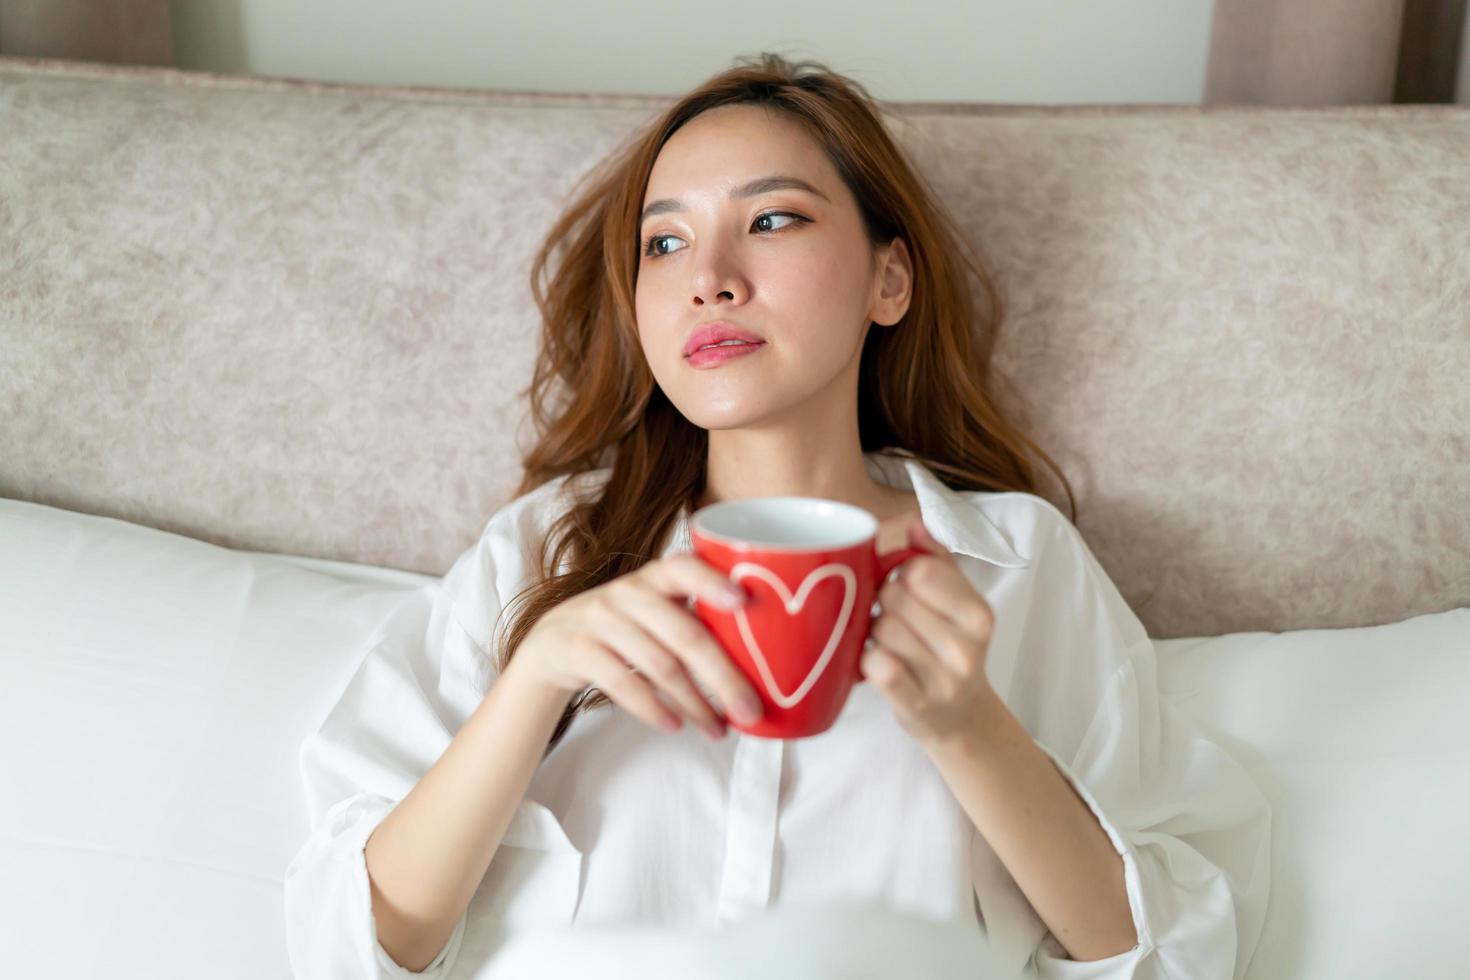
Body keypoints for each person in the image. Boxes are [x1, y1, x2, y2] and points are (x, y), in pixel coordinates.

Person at [283, 53, 1272, 980]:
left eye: (772, 222)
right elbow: (346, 942)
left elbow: (1174, 950)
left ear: (890, 279)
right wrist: (537, 675)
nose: (709, 276)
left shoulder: (1013, 562)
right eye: (664, 242)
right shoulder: (544, 551)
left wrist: (967, 725)